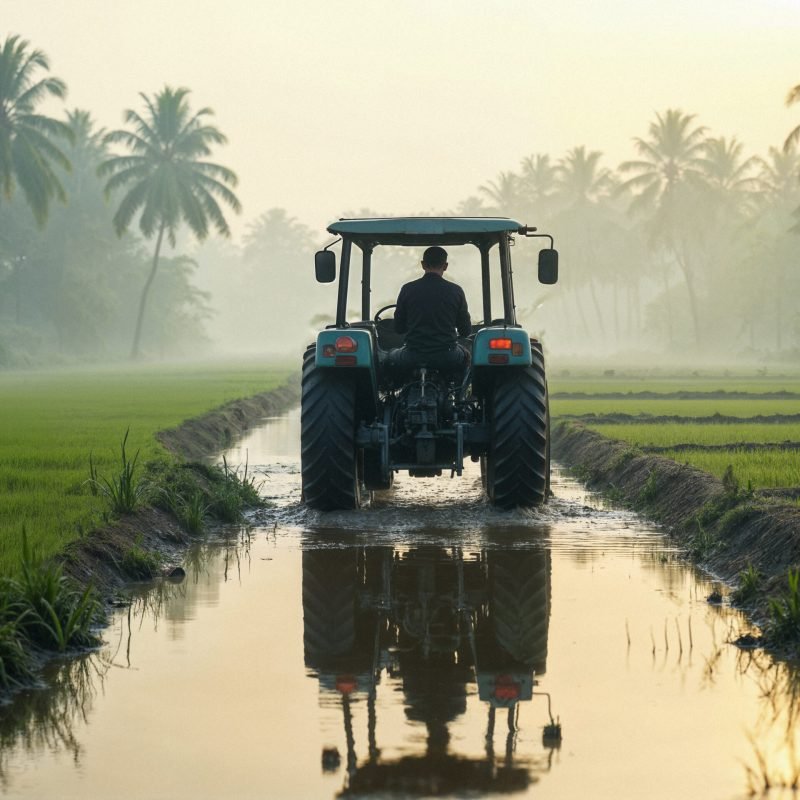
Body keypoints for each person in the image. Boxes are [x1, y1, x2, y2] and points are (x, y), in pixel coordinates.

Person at [390, 246, 471, 372]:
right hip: (447, 355)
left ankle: (389, 391)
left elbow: (398, 328)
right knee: (466, 355)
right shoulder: (456, 291)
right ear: (445, 266)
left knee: (390, 355)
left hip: (412, 355)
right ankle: (462, 391)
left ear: (423, 265)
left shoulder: (407, 289)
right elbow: (465, 330)